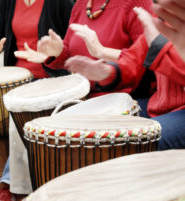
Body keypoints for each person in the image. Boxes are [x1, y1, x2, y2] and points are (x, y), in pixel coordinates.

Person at [0, 0, 74, 200]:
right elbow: (1, 38)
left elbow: (71, 47)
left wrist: (51, 55)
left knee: (18, 115)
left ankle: (11, 184)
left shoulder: (61, 2)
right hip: (16, 77)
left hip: (49, 79)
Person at [65, 7, 185, 151]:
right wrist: (106, 72)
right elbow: (135, 58)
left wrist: (159, 50)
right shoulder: (163, 15)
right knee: (95, 129)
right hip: (159, 105)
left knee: (133, 143)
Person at [15, 0, 154, 98]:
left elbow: (150, 58)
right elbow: (70, 54)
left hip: (122, 98)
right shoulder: (81, 4)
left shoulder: (136, 2)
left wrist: (102, 51)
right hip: (81, 94)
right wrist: (58, 51)